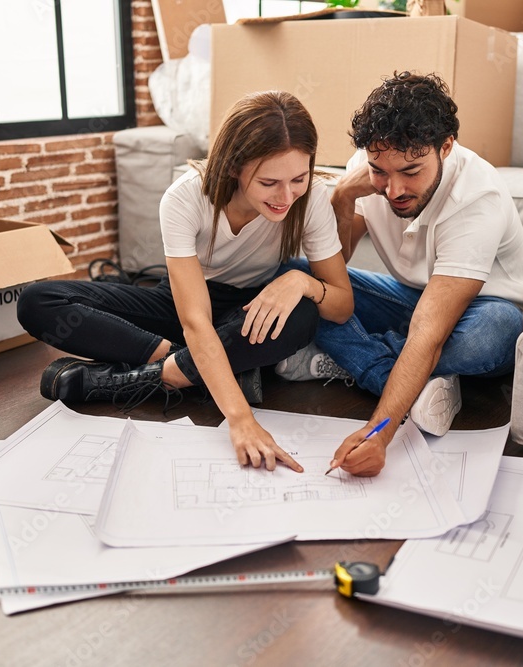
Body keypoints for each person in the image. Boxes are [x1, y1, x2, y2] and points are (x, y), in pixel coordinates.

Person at [17, 91, 353, 472]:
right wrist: (240, 419)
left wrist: (302, 282)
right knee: (38, 301)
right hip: (184, 305)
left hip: (243, 315)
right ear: (234, 167)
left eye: (299, 178)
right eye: (269, 182)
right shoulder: (185, 198)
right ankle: (204, 369)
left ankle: (145, 378)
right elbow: (195, 320)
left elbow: (342, 306)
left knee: (303, 315)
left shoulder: (309, 202)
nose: (286, 195)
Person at [276, 71, 523, 476]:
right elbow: (335, 267)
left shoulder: (477, 197)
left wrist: (379, 432)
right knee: (293, 278)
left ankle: (354, 360)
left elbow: (431, 331)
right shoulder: (368, 167)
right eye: (380, 171)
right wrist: (344, 193)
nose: (393, 189)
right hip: (409, 298)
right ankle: (403, 377)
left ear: (445, 147)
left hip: (487, 311)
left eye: (411, 172)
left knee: (486, 335)